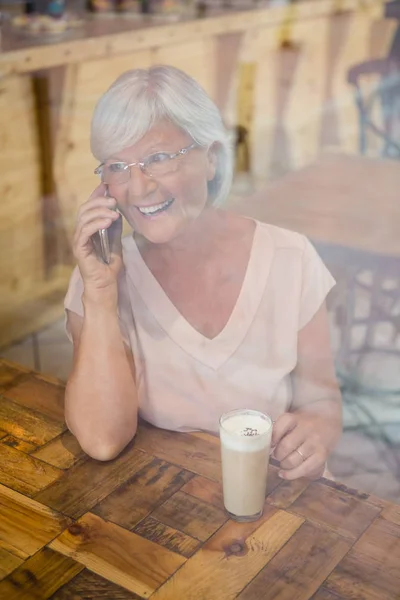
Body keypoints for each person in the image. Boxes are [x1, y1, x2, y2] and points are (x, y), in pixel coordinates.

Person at [64, 65, 342, 480]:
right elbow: (103, 440)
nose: (138, 188)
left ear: (211, 158)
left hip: (279, 501)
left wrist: (317, 430)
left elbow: (322, 400)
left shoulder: (290, 257)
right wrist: (101, 293)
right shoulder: (100, 278)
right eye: (117, 167)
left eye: (157, 159)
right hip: (168, 505)